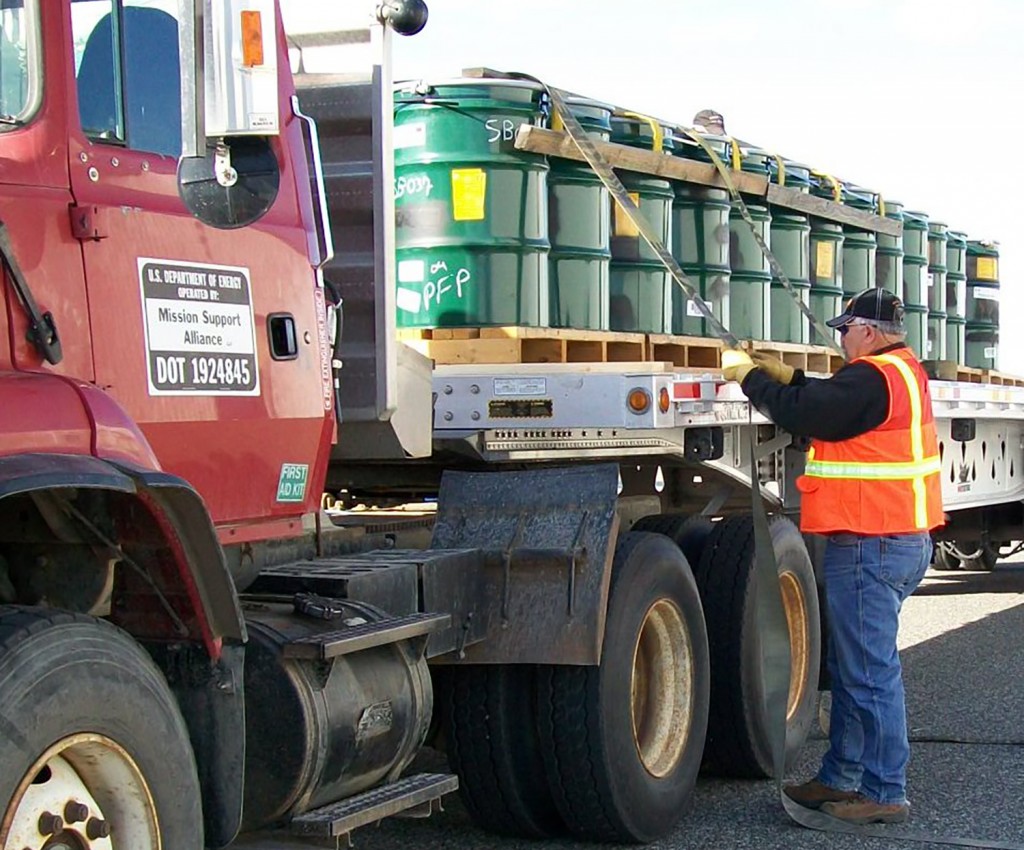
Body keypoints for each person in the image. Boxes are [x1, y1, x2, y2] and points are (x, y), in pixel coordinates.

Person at [721, 288, 944, 825]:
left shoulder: (873, 378)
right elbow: (833, 401)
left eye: (845, 329)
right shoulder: (900, 372)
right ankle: (841, 775)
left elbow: (813, 414)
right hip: (894, 539)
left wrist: (749, 378)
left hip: (873, 542)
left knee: (868, 673)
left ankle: (885, 791)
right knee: (854, 667)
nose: (841, 338)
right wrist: (788, 376)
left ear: (867, 331)